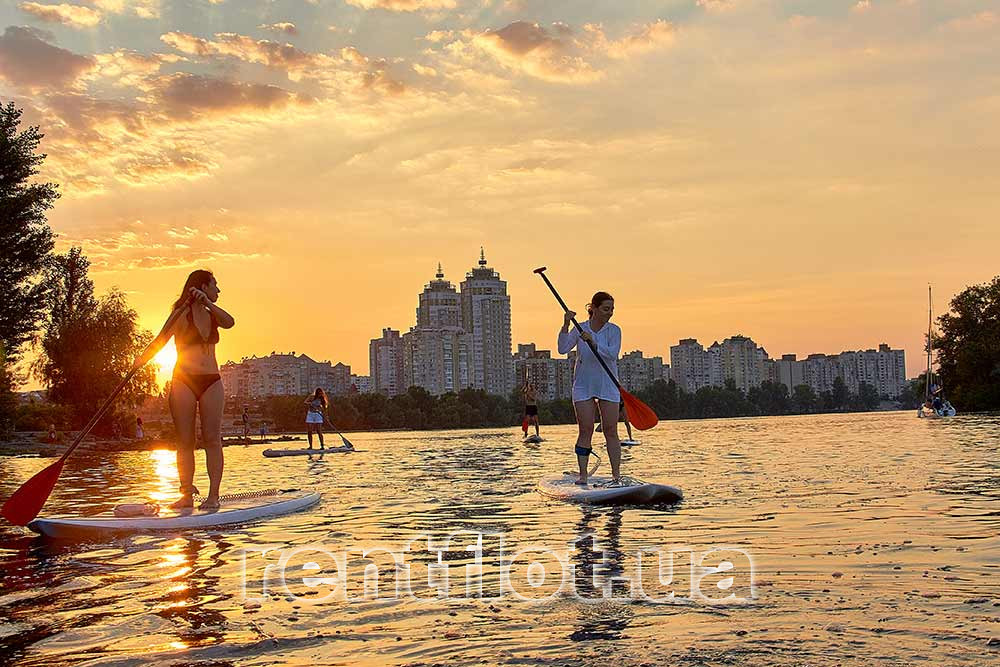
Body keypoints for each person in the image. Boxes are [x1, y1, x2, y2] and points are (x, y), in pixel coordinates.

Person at [147, 269, 235, 510]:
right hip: (183, 380)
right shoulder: (180, 315)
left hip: (212, 381)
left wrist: (207, 302)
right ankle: (186, 494)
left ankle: (213, 496)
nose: (218, 290)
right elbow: (159, 342)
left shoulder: (213, 314)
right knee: (185, 440)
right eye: (214, 285)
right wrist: (139, 361)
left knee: (212, 439)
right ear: (202, 285)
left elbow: (231, 322)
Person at [558, 291, 622, 486]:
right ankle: (583, 475)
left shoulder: (614, 330)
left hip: (608, 383)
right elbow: (562, 349)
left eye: (611, 309)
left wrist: (594, 342)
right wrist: (566, 324)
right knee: (585, 429)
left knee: (610, 430)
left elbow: (612, 355)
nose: (609, 313)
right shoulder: (580, 328)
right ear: (592, 309)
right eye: (605, 309)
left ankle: (616, 476)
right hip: (583, 385)